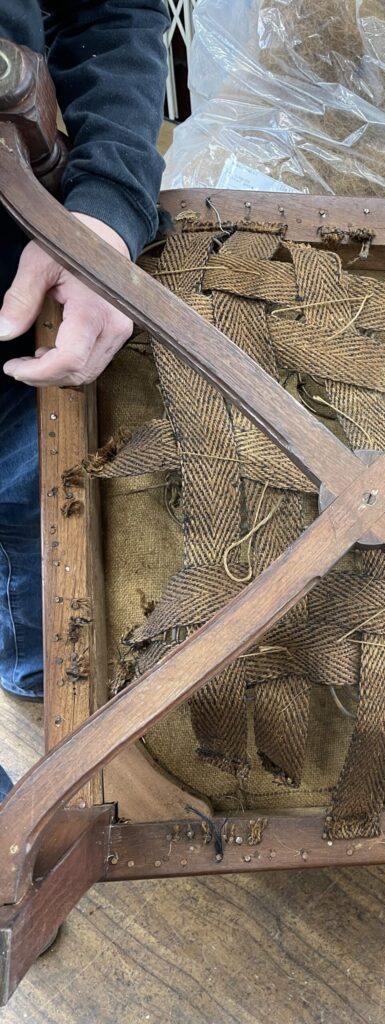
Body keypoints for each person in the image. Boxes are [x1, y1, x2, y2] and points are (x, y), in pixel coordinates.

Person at [0, 1, 170, 800]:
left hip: (25, 294)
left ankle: (33, 665)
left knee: (31, 498)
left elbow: (108, 5)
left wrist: (103, 211)